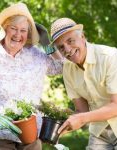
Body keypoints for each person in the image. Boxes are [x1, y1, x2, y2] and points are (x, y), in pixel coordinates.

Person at [0, 2, 63, 150]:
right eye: (13, 29)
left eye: (23, 30)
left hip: (30, 134)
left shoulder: (36, 55)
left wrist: (47, 43)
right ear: (4, 30)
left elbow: (60, 67)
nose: (18, 35)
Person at [49, 17, 117, 150]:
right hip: (100, 131)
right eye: (61, 47)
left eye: (70, 41)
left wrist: (81, 118)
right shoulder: (68, 69)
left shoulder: (111, 57)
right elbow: (82, 110)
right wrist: (57, 128)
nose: (67, 50)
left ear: (83, 37)